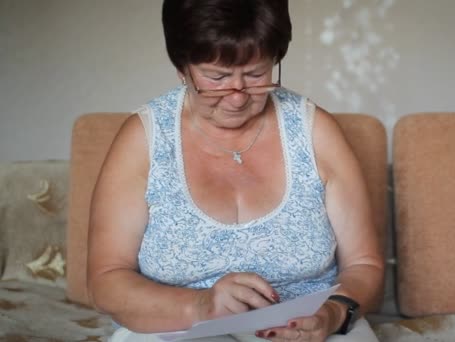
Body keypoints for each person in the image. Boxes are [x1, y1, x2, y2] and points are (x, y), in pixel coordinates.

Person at [87, 0, 384, 341]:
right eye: (217, 77)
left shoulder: (315, 131)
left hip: (306, 327)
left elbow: (365, 265)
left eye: (257, 74)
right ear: (182, 67)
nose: (238, 96)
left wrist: (331, 314)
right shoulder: (144, 140)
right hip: (177, 326)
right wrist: (200, 306)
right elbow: (105, 281)